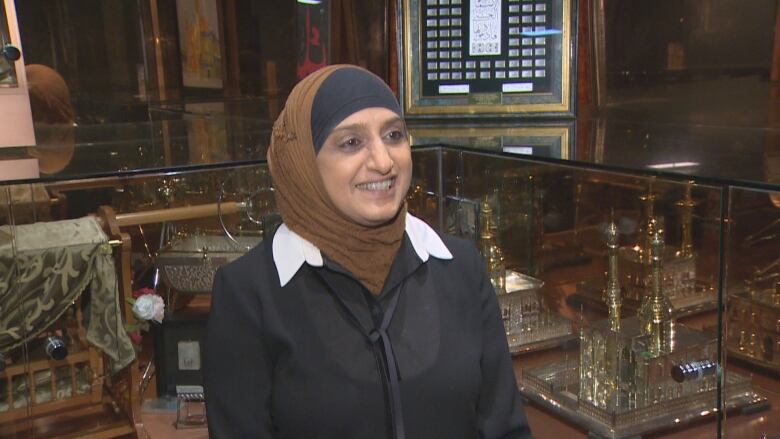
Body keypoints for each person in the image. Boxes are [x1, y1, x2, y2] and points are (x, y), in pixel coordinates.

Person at [203, 65, 532, 439]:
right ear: (303, 162)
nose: (383, 161)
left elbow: (506, 429)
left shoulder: (460, 268)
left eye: (394, 135)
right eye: (351, 143)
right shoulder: (248, 294)